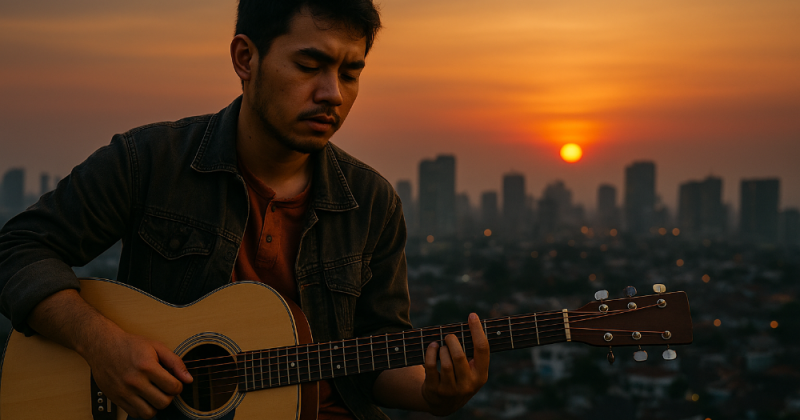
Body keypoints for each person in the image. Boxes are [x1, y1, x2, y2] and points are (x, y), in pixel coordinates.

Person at [0, 1, 490, 419]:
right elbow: (17, 249)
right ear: (245, 58)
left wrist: (435, 393)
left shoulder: (373, 202)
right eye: (308, 65)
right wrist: (101, 344)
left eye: (350, 72)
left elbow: (378, 355)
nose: (332, 94)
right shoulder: (151, 161)